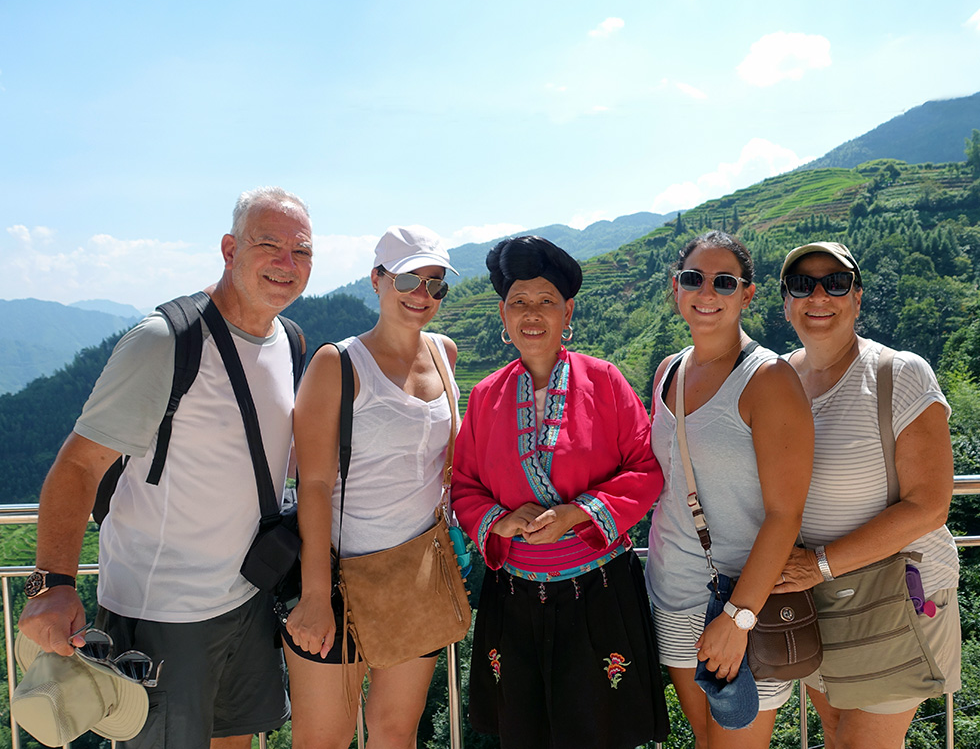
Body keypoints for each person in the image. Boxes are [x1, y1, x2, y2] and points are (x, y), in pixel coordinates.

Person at [17, 186, 315, 748]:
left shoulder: (288, 341)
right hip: (162, 614)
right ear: (229, 249)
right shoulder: (166, 341)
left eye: (301, 252)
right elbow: (79, 465)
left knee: (236, 740)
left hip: (249, 597)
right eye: (268, 245)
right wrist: (51, 585)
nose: (286, 263)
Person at [452, 236, 670, 749]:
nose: (532, 314)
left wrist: (576, 513)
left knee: (599, 731)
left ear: (567, 310)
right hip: (515, 595)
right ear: (503, 315)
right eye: (518, 302)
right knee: (523, 733)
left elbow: (645, 470)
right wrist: (499, 522)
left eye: (546, 301)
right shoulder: (485, 396)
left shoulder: (606, 381)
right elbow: (463, 484)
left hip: (598, 593)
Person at [772, 241, 961, 749]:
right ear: (785, 302)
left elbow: (929, 504)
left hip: (895, 592)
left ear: (857, 297)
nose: (819, 295)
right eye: (802, 284)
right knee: (834, 734)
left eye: (835, 283)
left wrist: (822, 564)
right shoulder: (779, 380)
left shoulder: (899, 373)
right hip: (815, 598)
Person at [283, 225, 459, 749]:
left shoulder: (445, 355)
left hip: (415, 576)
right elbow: (311, 483)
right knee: (324, 740)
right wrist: (314, 595)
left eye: (435, 284)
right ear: (378, 280)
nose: (422, 296)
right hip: (337, 577)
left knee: (394, 734)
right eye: (409, 279)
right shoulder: (338, 364)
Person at [644, 231, 813, 748]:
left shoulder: (769, 380)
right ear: (677, 290)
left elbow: (786, 514)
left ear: (748, 294)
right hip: (671, 595)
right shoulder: (669, 371)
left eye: (724, 281)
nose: (707, 292)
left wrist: (738, 619)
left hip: (745, 606)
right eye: (693, 279)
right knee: (704, 738)